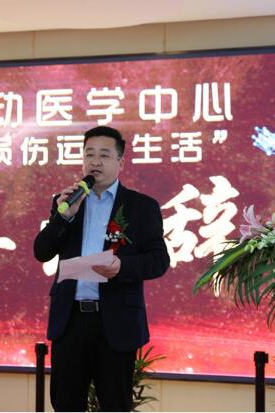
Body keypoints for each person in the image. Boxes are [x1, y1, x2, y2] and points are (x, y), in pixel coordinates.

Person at [33, 125, 169, 411]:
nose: (95, 162)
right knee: (65, 404)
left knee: (115, 404)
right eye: (89, 154)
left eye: (104, 155)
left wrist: (122, 266)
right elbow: (41, 252)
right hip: (70, 321)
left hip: (115, 322)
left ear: (120, 163)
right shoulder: (68, 202)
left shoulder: (141, 206)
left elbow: (159, 260)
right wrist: (63, 217)